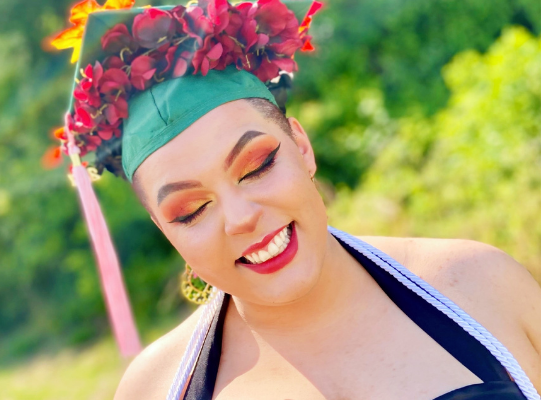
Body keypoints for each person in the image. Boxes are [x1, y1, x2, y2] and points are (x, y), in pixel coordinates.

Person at [48, 0, 541, 398]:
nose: (241, 218)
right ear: (164, 229)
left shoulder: (479, 285)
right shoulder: (156, 390)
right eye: (191, 210)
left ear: (301, 147)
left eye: (257, 166)